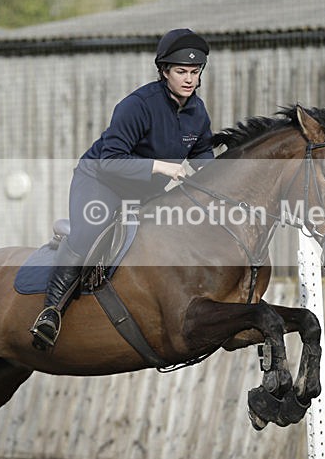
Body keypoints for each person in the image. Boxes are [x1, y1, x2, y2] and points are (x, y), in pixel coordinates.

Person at [30, 28, 215, 350]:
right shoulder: (138, 105)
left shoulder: (197, 112)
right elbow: (109, 161)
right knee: (90, 230)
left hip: (145, 192)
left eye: (195, 72)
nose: (189, 79)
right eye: (181, 72)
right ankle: (50, 310)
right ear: (164, 72)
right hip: (101, 181)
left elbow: (202, 157)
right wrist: (161, 166)